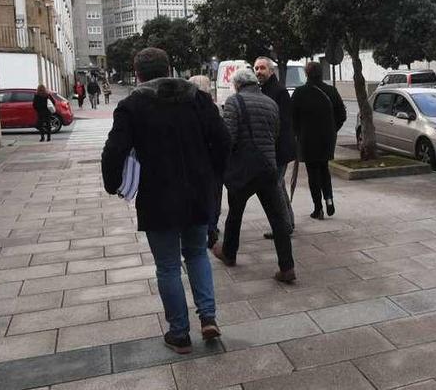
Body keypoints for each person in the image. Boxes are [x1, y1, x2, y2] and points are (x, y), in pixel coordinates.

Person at [102, 47, 230, 354]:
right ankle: (208, 317)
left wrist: (112, 183)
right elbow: (223, 140)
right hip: (198, 193)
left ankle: (179, 333)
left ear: (138, 74)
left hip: (158, 196)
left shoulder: (132, 106)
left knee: (168, 266)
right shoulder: (198, 99)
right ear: (170, 67)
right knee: (198, 253)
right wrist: (212, 174)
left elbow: (114, 149)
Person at [212, 69, 296, 283]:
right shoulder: (270, 103)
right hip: (268, 166)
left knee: (235, 213)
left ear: (238, 85)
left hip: (243, 170)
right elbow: (275, 134)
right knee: (278, 219)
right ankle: (287, 267)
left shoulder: (234, 102)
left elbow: (228, 137)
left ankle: (229, 254)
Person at [291, 62, 346, 219]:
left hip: (307, 140)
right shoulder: (331, 91)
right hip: (327, 139)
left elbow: (292, 117)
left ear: (306, 74)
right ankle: (329, 200)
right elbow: (342, 115)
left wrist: (297, 134)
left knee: (312, 173)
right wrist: (332, 130)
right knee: (324, 169)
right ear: (321, 73)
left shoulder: (300, 93)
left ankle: (318, 208)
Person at [254, 57, 296, 239]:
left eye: (262, 68)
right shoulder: (265, 90)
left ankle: (283, 226)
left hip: (279, 150)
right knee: (280, 187)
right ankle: (289, 222)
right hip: (275, 149)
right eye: (256, 68)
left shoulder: (278, 91)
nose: (258, 71)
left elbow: (283, 123)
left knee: (275, 189)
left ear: (271, 71)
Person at [189, 75, 223, 249]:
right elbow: (222, 138)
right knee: (214, 196)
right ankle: (212, 227)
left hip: (194, 163)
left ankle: (204, 227)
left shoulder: (186, 108)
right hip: (212, 162)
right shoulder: (212, 108)